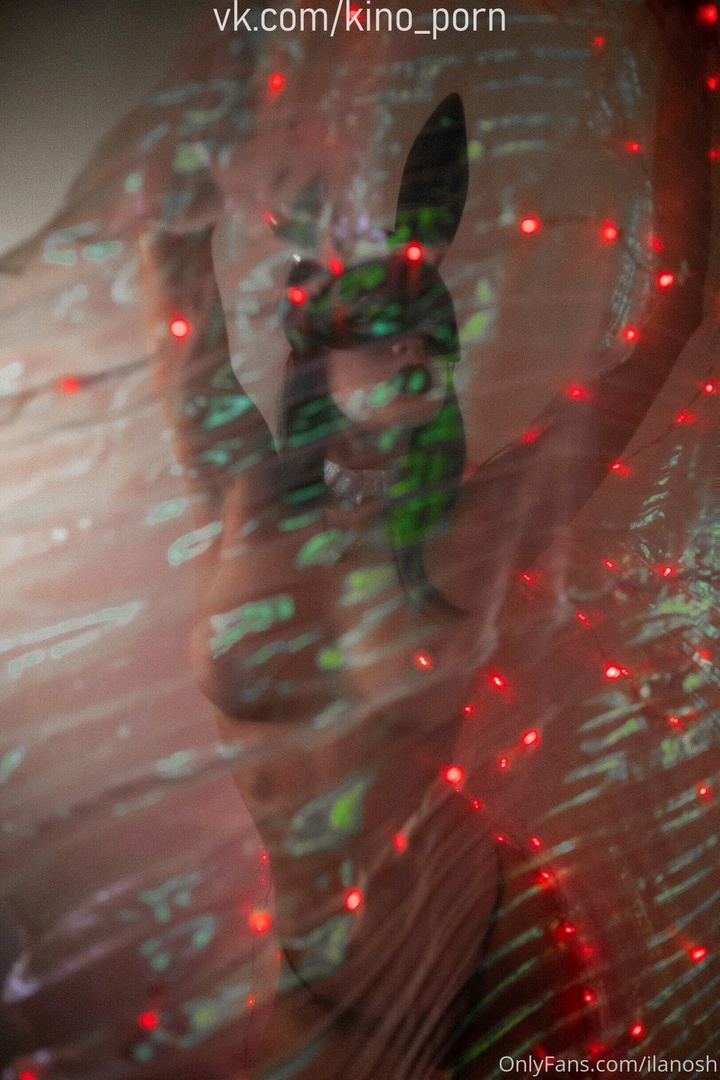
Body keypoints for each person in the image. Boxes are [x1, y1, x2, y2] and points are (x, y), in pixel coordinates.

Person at [138, 32, 713, 1069]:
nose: (414, 364)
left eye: (429, 345)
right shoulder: (247, 495)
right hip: (318, 976)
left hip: (477, 952)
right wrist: (225, 88)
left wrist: (684, 74)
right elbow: (173, 269)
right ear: (319, 357)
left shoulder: (483, 516)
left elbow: (665, 317)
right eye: (384, 341)